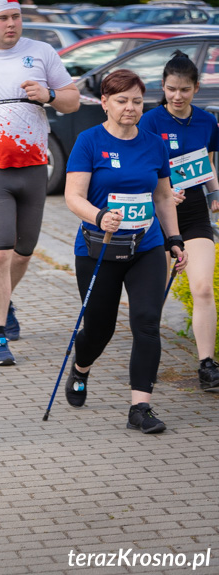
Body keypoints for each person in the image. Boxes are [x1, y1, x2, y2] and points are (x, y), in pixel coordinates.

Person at [0, 0, 79, 366]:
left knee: (24, 252)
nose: (11, 24)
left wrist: (49, 95)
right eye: (3, 18)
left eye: (16, 17)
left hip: (35, 166)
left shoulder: (42, 52)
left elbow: (72, 100)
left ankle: (5, 304)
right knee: (0, 251)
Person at [64, 69, 188, 433]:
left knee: (146, 321)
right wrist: (99, 215)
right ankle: (81, 367)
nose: (130, 107)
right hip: (98, 248)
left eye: (136, 100)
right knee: (99, 329)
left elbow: (163, 196)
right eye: (121, 101)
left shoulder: (153, 143)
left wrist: (174, 239)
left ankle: (140, 408)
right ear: (104, 102)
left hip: (145, 247)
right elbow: (73, 196)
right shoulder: (88, 141)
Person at [140, 52, 219, 393]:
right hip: (156, 216)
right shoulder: (150, 122)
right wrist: (164, 194)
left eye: (184, 90)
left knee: (202, 287)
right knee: (150, 296)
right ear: (163, 86)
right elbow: (140, 170)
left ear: (196, 88)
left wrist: (215, 194)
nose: (177, 96)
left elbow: (208, 163)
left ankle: (206, 364)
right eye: (171, 89)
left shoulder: (207, 121)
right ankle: (144, 359)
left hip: (195, 214)